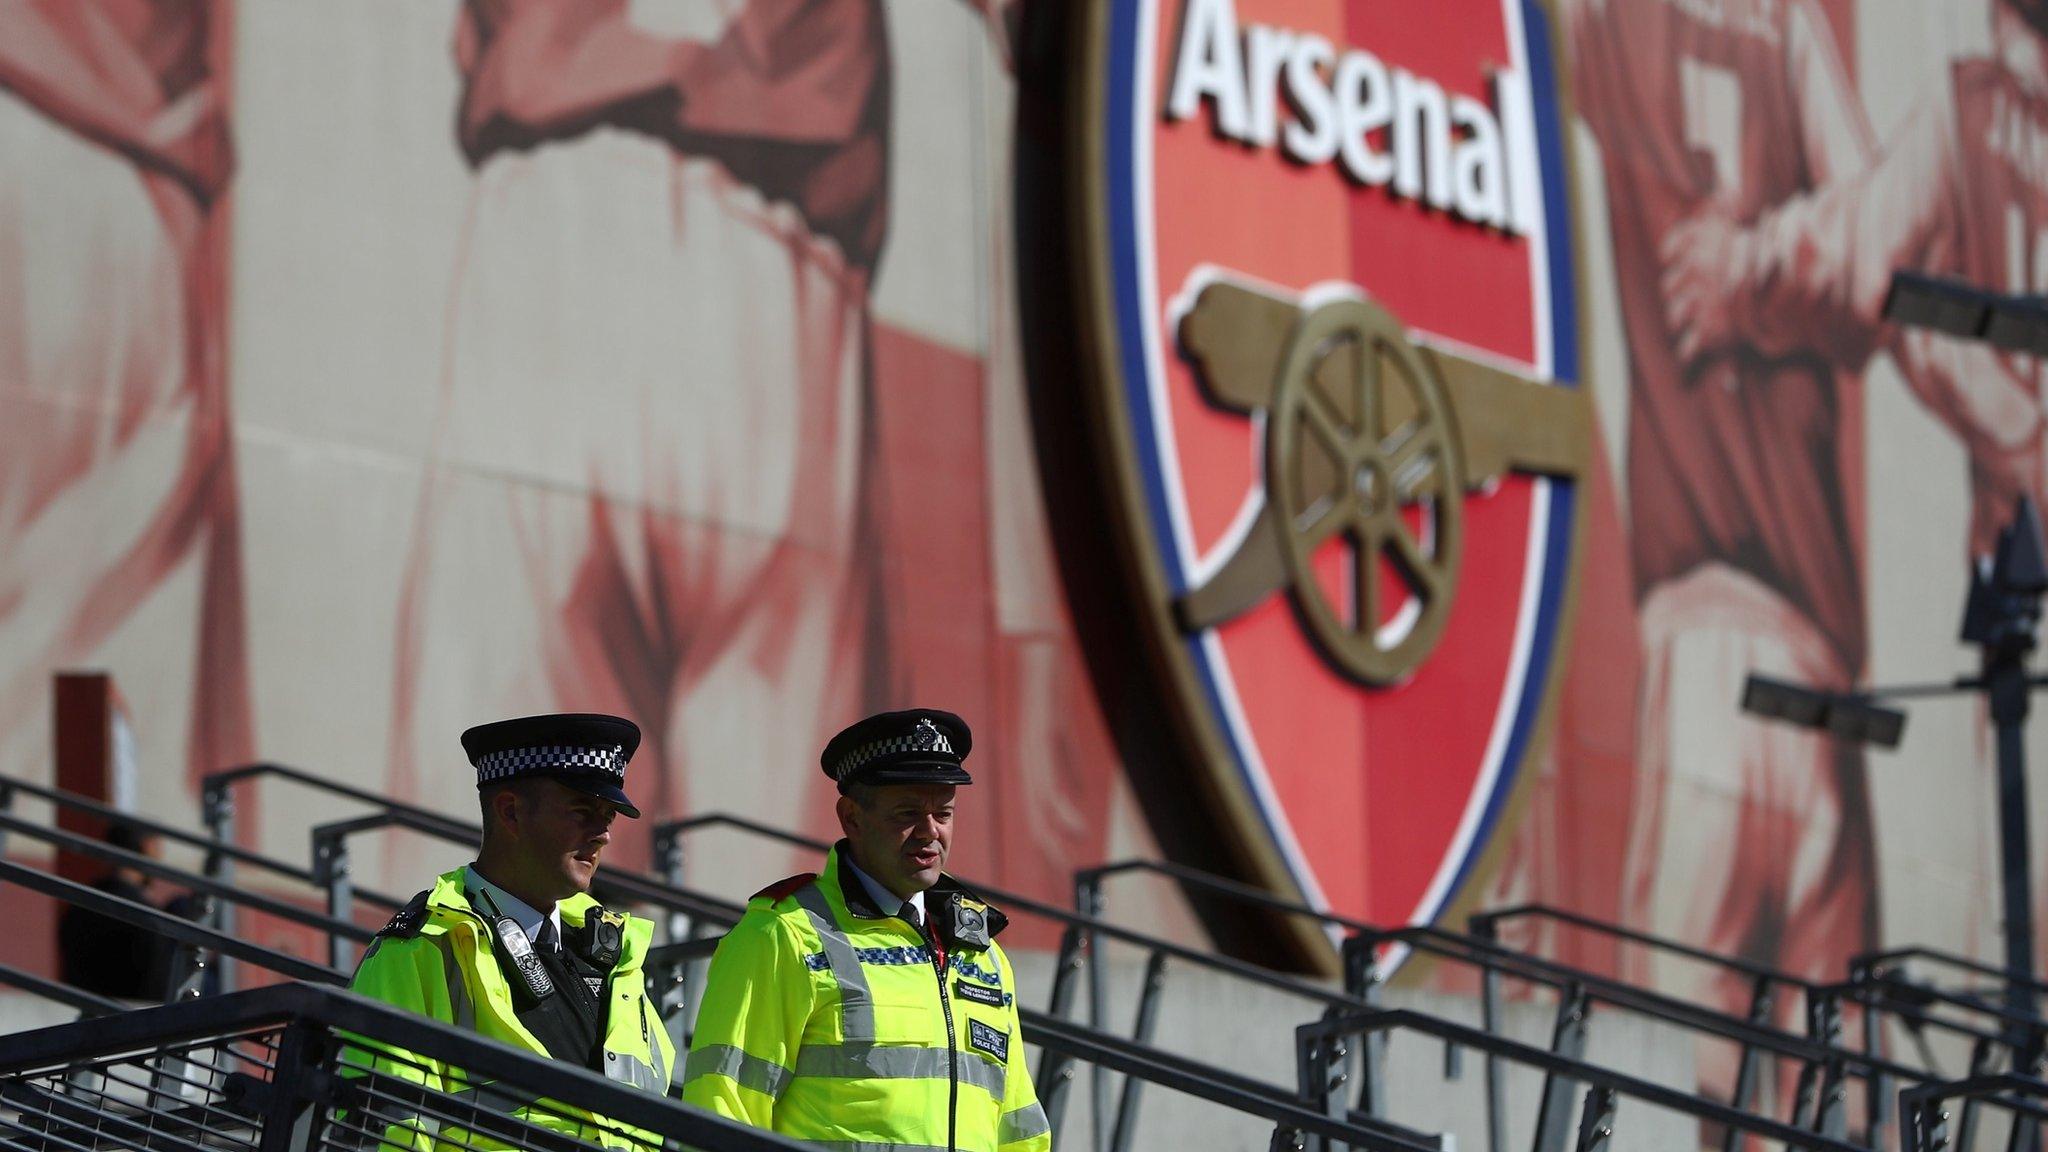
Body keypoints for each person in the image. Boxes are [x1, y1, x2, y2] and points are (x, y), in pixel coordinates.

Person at [1657, 0, 2048, 958]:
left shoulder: (1977, 110)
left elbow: (1854, 254)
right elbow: (1864, 257)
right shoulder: (1975, 112)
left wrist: (1736, 271)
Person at [1562, 0, 1882, 1118]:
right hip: (1819, 660)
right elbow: (1877, 235)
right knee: (1822, 1094)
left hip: (1711, 641)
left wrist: (1739, 268)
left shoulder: (1603, 23)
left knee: (1681, 1083)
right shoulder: (1786, 25)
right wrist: (1771, 261)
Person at [682, 709, 1050, 1152]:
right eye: (907, 813)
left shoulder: (980, 954)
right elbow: (723, 1112)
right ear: (851, 817)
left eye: (944, 813)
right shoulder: (783, 935)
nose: (930, 831)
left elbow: (1020, 1130)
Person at [341, 713, 674, 1150]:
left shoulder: (612, 954)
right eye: (582, 811)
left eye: (608, 815)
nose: (604, 835)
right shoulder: (423, 950)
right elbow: (386, 1133)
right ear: (511, 812)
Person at [57, 821, 187, 1002]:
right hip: (133, 1018)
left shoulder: (78, 907)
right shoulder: (147, 917)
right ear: (147, 847)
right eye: (158, 850)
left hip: (81, 1016)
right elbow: (157, 987)